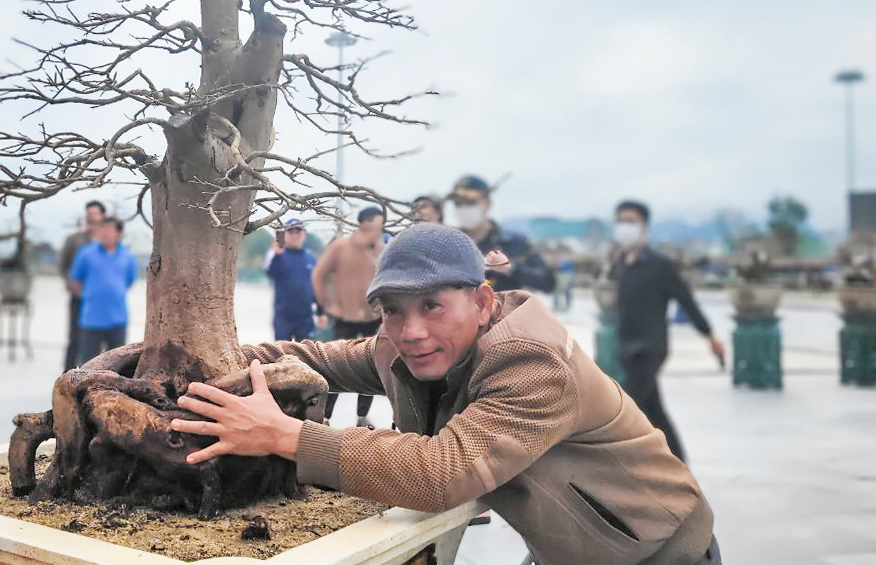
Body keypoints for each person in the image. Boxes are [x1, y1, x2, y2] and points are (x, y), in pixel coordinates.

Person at [171, 223, 722, 565]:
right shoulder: (402, 346)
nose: (410, 331)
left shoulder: (533, 364)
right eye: (393, 310)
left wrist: (286, 436)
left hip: (654, 551)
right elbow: (317, 356)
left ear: (483, 303)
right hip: (567, 547)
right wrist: (206, 354)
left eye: (433, 305)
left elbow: (442, 473)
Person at [611, 200, 725, 463]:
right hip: (627, 348)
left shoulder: (659, 266)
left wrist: (709, 335)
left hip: (650, 348)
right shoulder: (621, 265)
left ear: (644, 226)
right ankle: (679, 462)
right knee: (654, 410)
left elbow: (686, 300)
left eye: (630, 221)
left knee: (627, 408)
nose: (624, 227)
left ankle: (622, 468)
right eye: (620, 221)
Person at [311, 206, 385, 426]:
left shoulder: (381, 251)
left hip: (373, 318)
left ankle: (362, 416)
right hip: (345, 319)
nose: (379, 231)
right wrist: (326, 305)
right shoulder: (340, 247)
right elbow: (318, 275)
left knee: (371, 368)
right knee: (336, 366)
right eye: (377, 226)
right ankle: (326, 415)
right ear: (364, 224)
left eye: (381, 227)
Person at [448, 174, 555, 294]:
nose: (463, 209)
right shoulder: (447, 245)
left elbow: (547, 281)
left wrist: (510, 269)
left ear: (487, 204)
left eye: (470, 203)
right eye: (458, 203)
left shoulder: (513, 243)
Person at [70, 217, 137, 365]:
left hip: (118, 319)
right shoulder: (86, 254)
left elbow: (129, 281)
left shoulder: (128, 256)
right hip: (91, 320)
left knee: (119, 365)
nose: (104, 232)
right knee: (88, 364)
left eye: (109, 229)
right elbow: (76, 280)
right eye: (102, 228)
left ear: (118, 233)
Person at [59, 201, 106, 371]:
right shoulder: (74, 240)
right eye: (89, 215)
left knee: (99, 341)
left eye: (95, 214)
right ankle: (66, 376)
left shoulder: (108, 242)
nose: (91, 218)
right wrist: (73, 287)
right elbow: (64, 266)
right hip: (79, 298)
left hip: (101, 301)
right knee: (75, 339)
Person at [265, 219, 320, 341]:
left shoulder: (311, 258)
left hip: (305, 317)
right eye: (291, 232)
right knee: (282, 354)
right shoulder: (278, 256)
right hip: (283, 317)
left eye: (298, 232)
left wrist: (321, 312)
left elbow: (317, 287)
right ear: (285, 234)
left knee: (306, 354)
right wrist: (277, 255)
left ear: (303, 234)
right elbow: (271, 274)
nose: (295, 236)